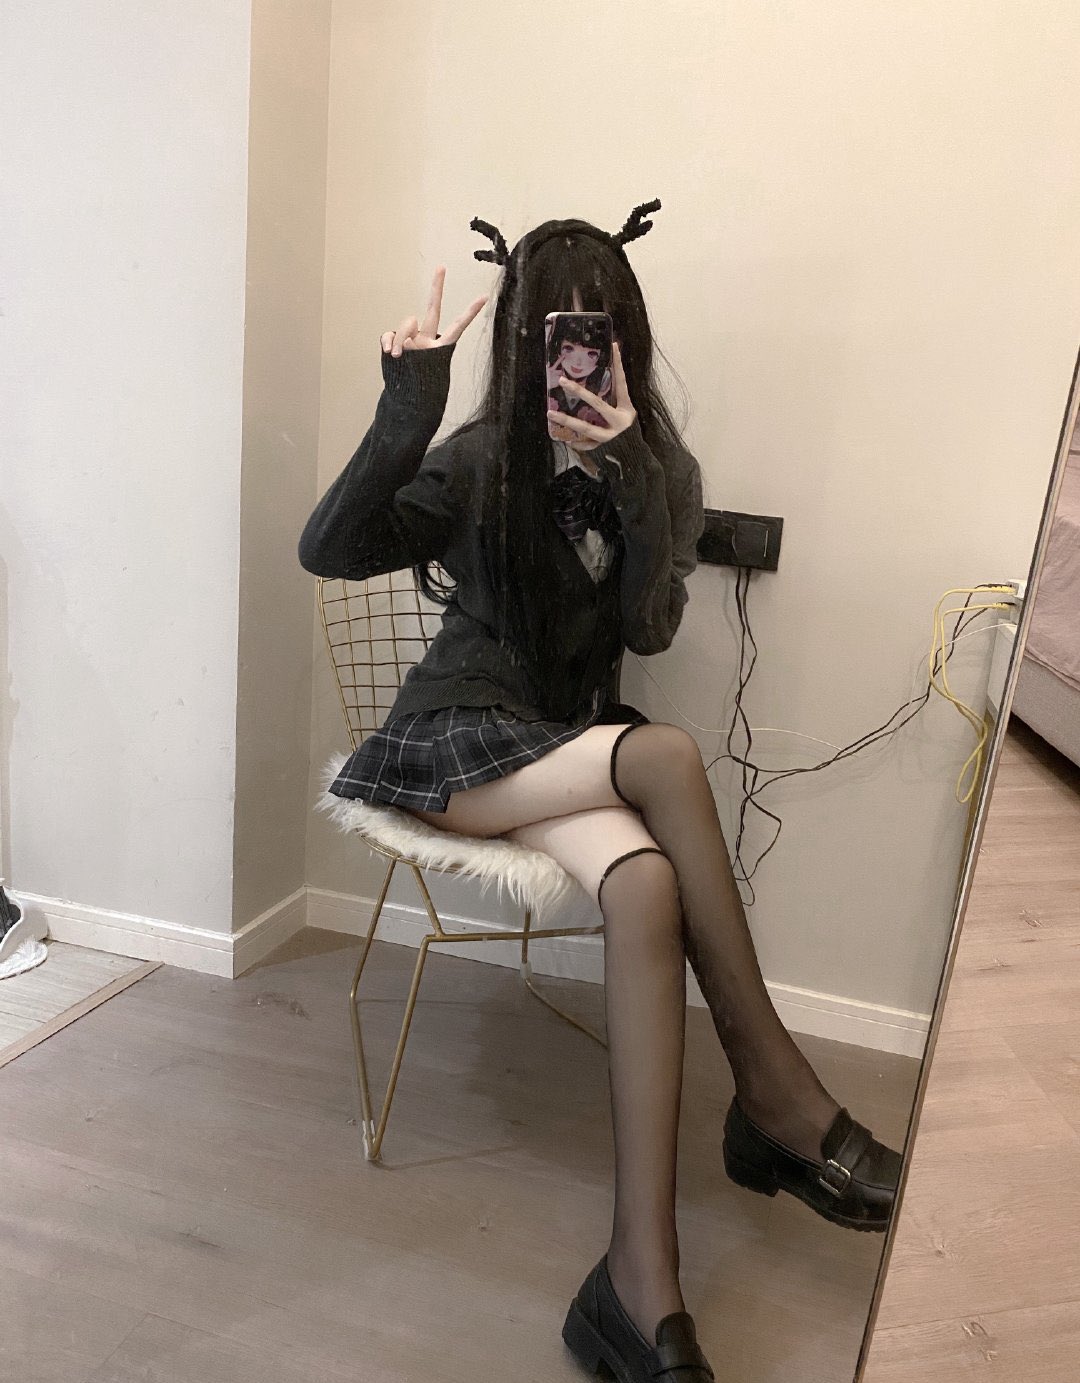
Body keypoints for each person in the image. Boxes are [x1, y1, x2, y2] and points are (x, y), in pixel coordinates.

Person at [298, 203, 901, 1383]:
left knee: (643, 885)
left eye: (598, 328)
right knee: (665, 756)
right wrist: (407, 404)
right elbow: (332, 548)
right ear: (523, 339)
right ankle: (775, 1096)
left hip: (562, 745)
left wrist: (630, 482)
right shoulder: (478, 458)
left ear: (624, 336)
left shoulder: (659, 471)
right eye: (554, 331)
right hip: (452, 742)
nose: (576, 352)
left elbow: (651, 629)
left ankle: (636, 1286)